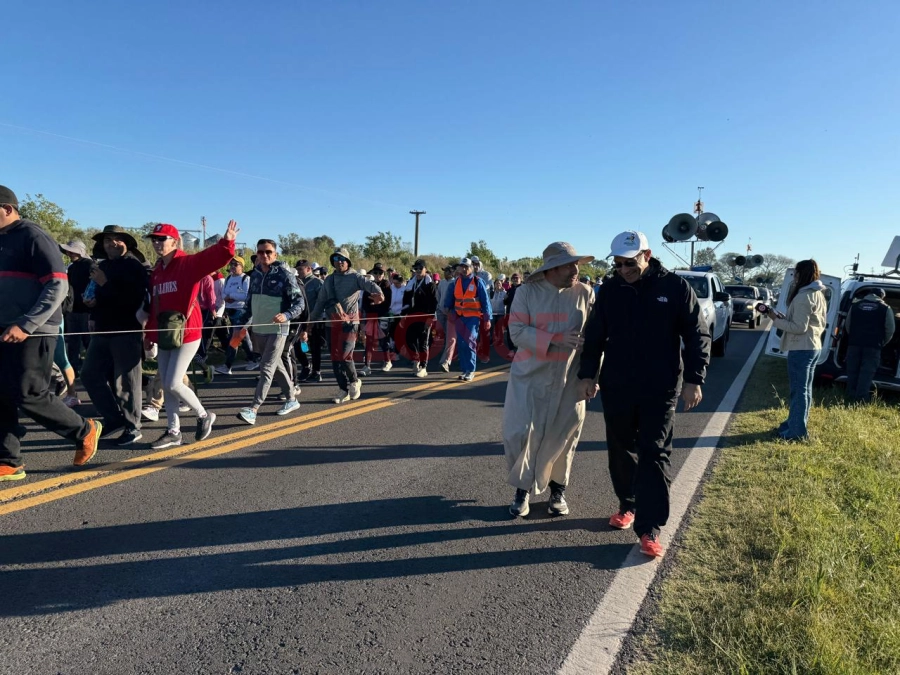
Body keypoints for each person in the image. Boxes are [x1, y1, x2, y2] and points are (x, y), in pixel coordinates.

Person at [578, 230, 710, 558]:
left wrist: (694, 379)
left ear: (647, 255)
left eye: (629, 262)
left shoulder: (674, 287)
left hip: (661, 386)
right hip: (618, 384)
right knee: (621, 449)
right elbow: (595, 334)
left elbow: (697, 334)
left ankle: (650, 527)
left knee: (654, 452)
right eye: (618, 263)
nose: (623, 268)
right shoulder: (610, 289)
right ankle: (628, 504)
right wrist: (587, 375)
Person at [0, 185, 102, 481]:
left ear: (7, 209)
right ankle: (9, 461)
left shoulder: (32, 236)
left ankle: (84, 430)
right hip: (5, 327)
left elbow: (58, 284)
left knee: (28, 393)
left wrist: (26, 324)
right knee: (1, 393)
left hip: (33, 328)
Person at [504, 242, 595, 518]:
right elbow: (517, 331)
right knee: (519, 432)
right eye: (569, 265)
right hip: (529, 377)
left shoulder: (586, 293)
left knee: (564, 435)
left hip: (571, 378)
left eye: (576, 264)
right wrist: (554, 339)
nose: (575, 270)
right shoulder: (527, 292)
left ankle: (558, 490)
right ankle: (522, 490)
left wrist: (592, 376)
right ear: (552, 268)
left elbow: (596, 339)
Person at [143, 221, 238, 449]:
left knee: (174, 382)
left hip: (188, 332)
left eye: (161, 238)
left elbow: (213, 258)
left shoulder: (187, 263)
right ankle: (173, 431)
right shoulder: (157, 272)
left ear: (174, 241)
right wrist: (150, 335)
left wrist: (227, 242)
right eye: (154, 239)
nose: (157, 242)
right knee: (166, 384)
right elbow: (155, 307)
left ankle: (204, 415)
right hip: (166, 333)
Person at [80, 225, 149, 446]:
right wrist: (92, 304)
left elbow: (133, 300)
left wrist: (104, 284)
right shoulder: (102, 266)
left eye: (118, 239)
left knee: (126, 382)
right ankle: (113, 419)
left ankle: (133, 426)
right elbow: (102, 295)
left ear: (126, 244)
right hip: (102, 328)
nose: (113, 243)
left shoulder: (133, 267)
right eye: (108, 240)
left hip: (126, 329)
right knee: (89, 374)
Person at [235, 239, 305, 424]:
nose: (264, 255)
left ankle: (253, 409)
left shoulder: (284, 274)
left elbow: (300, 302)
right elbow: (250, 303)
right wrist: (241, 324)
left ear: (275, 254)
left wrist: (287, 315)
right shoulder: (255, 275)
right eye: (260, 252)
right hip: (259, 328)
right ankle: (291, 399)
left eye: (268, 252)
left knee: (266, 367)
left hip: (278, 329)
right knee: (277, 366)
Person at [308, 247, 384, 404]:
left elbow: (371, 286)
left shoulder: (356, 277)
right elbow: (320, 302)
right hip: (331, 323)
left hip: (350, 323)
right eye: (336, 259)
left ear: (348, 261)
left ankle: (354, 380)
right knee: (335, 358)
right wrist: (311, 321)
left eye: (342, 259)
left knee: (344, 355)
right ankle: (343, 389)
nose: (339, 262)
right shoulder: (329, 280)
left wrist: (379, 295)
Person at [767, 260, 828, 439]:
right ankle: (794, 425)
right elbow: (807, 323)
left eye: (795, 273)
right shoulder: (818, 294)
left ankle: (796, 432)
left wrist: (775, 319)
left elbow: (799, 327)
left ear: (802, 274)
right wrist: (784, 317)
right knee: (804, 390)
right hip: (813, 346)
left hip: (801, 348)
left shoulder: (803, 296)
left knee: (798, 391)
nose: (794, 277)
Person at [443, 258, 491, 381]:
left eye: (466, 267)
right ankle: (465, 370)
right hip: (460, 317)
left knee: (469, 342)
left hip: (473, 318)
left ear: (471, 268)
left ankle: (471, 370)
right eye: (462, 267)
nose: (464, 269)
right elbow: (449, 298)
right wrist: (447, 309)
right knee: (462, 344)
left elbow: (486, 302)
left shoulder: (478, 282)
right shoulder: (455, 283)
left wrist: (487, 319)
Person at [843, 287, 895, 402]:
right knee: (866, 373)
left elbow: (848, 325)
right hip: (873, 346)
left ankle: (849, 396)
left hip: (854, 344)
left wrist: (854, 337)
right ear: (881, 296)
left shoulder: (855, 306)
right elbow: (890, 330)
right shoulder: (886, 308)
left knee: (852, 371)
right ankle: (860, 399)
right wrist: (882, 343)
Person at [216, 256, 257, 375]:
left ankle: (227, 365)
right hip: (231, 311)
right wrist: (227, 298)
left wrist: (232, 296)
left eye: (236, 264)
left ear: (242, 266)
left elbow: (246, 296)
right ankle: (253, 359)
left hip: (242, 311)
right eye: (231, 264)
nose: (233, 267)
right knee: (243, 336)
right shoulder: (228, 278)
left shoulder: (245, 278)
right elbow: (223, 294)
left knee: (235, 337)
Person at [59, 239, 93, 376]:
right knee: (72, 343)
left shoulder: (90, 265)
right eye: (67, 251)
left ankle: (92, 368)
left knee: (88, 342)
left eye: (71, 250)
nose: (69, 253)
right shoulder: (72, 268)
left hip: (86, 310)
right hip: (72, 309)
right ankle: (73, 370)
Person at [402, 259, 438, 377]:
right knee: (409, 339)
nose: (417, 271)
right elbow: (406, 301)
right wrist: (403, 315)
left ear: (425, 270)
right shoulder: (410, 284)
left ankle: (423, 366)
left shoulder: (430, 284)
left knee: (423, 342)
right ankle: (416, 359)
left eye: (420, 268)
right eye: (415, 269)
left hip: (424, 316)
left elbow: (434, 303)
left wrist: (430, 318)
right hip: (411, 316)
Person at [360, 262, 393, 376]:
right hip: (371, 315)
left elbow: (388, 302)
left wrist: (377, 304)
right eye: (376, 272)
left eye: (381, 272)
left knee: (383, 340)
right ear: (372, 273)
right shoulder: (369, 285)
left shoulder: (387, 285)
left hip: (383, 315)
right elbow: (364, 302)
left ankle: (387, 361)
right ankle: (367, 365)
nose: (378, 274)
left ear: (383, 274)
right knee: (369, 341)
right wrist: (369, 310)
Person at [295, 259, 325, 382]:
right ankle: (306, 366)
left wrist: (313, 320)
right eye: (297, 270)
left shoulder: (317, 283)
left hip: (315, 320)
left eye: (300, 269)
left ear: (308, 269)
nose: (298, 272)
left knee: (314, 347)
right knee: (299, 345)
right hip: (300, 320)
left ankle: (316, 372)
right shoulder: (297, 282)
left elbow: (321, 302)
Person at [435, 265, 457, 372]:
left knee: (451, 337)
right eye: (445, 271)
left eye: (449, 271)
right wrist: (439, 306)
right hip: (441, 311)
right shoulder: (442, 283)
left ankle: (446, 360)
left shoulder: (455, 283)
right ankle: (447, 354)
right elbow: (438, 295)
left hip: (451, 313)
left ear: (453, 272)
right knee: (443, 333)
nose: (446, 273)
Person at [490, 278, 507, 347]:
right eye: (496, 283)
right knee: (491, 327)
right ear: (494, 285)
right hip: (492, 313)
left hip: (501, 313)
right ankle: (491, 340)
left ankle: (500, 341)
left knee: (500, 328)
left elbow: (506, 301)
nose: (498, 284)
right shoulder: (492, 292)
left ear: (501, 284)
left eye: (499, 283)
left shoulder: (504, 293)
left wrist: (504, 291)